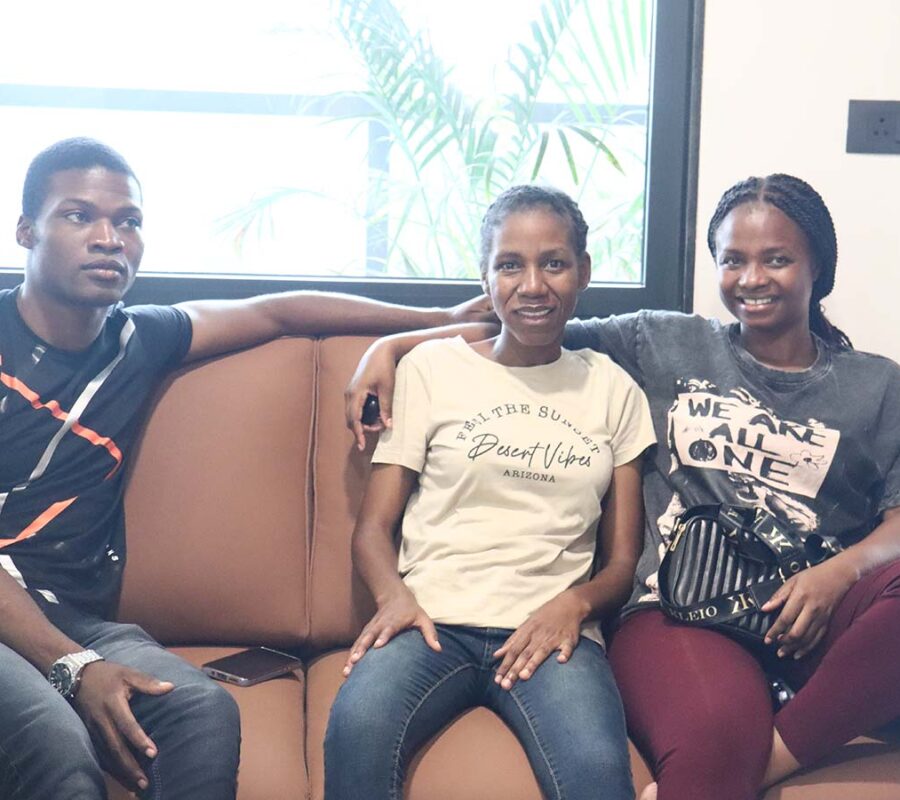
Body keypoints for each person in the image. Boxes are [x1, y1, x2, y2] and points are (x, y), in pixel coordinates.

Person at [344, 174, 900, 800]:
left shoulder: (878, 385)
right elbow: (526, 328)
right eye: (733, 260)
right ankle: (748, 752)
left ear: (818, 265)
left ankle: (767, 758)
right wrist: (387, 346)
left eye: (777, 259)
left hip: (807, 614)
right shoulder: (663, 341)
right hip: (685, 610)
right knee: (715, 740)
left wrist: (838, 574)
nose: (752, 279)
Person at [0, 136, 493, 800]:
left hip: (72, 614)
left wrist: (431, 320)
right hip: (27, 624)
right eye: (78, 216)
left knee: (200, 711)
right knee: (57, 750)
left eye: (128, 221)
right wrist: (74, 667)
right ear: (26, 230)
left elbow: (278, 311)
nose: (108, 239)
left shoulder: (138, 339)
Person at [324, 185, 656, 800]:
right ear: (485, 276)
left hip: (549, 634)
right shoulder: (431, 369)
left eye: (553, 263)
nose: (533, 285)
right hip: (432, 623)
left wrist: (575, 605)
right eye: (510, 265)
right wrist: (394, 598)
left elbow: (620, 563)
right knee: (357, 728)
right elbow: (371, 530)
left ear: (583, 271)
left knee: (597, 773)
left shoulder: (614, 390)